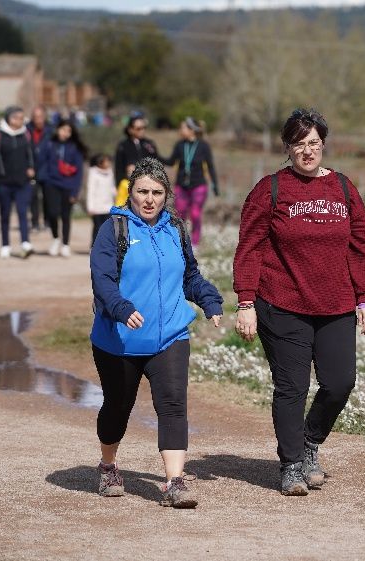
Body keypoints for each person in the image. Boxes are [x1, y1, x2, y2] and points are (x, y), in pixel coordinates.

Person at [232, 108, 365, 496]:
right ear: (287, 148)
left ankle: (310, 442)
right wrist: (245, 302)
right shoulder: (270, 190)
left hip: (334, 306)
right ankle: (292, 464)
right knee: (291, 388)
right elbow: (249, 248)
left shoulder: (344, 189)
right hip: (281, 304)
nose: (307, 151)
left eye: (313, 143)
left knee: (339, 383)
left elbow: (361, 247)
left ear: (323, 144)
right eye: (299, 144)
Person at [90, 157, 223, 508]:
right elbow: (102, 280)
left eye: (157, 192)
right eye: (142, 192)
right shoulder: (114, 229)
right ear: (130, 193)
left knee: (173, 405)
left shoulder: (175, 229)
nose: (149, 199)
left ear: (167, 195)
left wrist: (209, 300)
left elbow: (189, 276)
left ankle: (174, 482)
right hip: (119, 340)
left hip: (170, 337)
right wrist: (122, 309)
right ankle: (108, 467)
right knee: (118, 406)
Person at [162, 117, 219, 247]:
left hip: (199, 185)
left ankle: (195, 242)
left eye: (183, 127)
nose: (181, 130)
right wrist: (155, 154)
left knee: (195, 213)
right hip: (181, 185)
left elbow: (210, 166)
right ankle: (181, 240)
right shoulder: (179, 145)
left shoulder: (204, 146)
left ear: (192, 130)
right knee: (180, 213)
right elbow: (171, 161)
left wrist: (215, 184)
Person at [0, 106, 35, 259]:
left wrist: (31, 168)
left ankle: (25, 243)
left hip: (23, 182)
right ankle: (5, 245)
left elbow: (31, 154)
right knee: (5, 214)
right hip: (4, 182)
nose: (19, 121)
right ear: (8, 118)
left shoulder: (26, 134)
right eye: (16, 118)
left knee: (23, 212)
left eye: (22, 118)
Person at [42, 119, 87, 257]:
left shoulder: (74, 147)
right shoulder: (50, 144)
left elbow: (79, 171)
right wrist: (44, 179)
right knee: (52, 213)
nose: (65, 133)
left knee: (66, 215)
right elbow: (42, 161)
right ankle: (56, 238)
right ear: (57, 129)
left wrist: (75, 190)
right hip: (51, 184)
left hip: (68, 185)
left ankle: (65, 244)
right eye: (63, 130)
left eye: (68, 131)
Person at [27, 106, 54, 231]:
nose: (38, 120)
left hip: (47, 169)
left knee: (48, 197)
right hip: (32, 168)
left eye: (40, 117)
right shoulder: (26, 130)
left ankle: (48, 222)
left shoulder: (51, 130)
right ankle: (35, 222)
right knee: (33, 197)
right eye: (35, 117)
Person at [113, 113, 159, 187]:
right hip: (128, 186)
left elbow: (157, 163)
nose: (142, 130)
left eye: (144, 128)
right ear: (130, 129)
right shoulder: (123, 145)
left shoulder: (149, 144)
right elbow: (118, 169)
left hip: (148, 185)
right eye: (138, 128)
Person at [86, 153, 116, 247]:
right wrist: (90, 207)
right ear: (100, 163)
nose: (108, 163)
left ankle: (105, 246)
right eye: (106, 161)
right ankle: (94, 246)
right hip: (97, 207)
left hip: (108, 206)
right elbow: (91, 190)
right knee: (97, 227)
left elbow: (112, 187)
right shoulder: (93, 173)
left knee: (107, 227)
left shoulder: (110, 172)